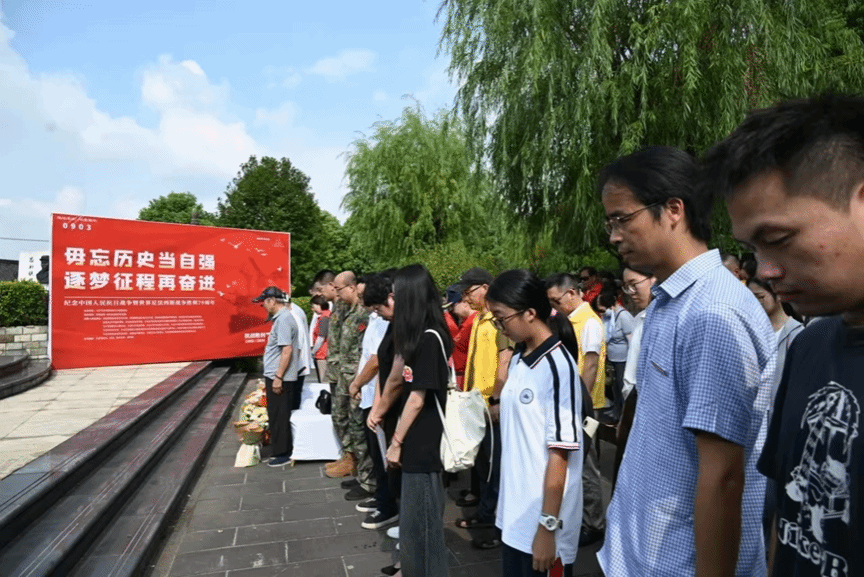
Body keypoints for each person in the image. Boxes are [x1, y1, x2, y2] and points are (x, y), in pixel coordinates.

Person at [596, 146, 776, 577]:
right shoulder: (667, 301)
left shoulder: (712, 313)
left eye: (622, 219)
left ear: (673, 210)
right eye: (609, 223)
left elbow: (723, 477)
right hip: (642, 553)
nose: (614, 237)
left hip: (677, 563)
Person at [704, 93, 864, 576]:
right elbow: (786, 519)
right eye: (753, 249)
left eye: (777, 240)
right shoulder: (808, 346)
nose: (765, 271)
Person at [486, 269, 584, 577]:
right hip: (516, 515)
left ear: (529, 313)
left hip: (544, 522)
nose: (500, 327)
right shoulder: (519, 358)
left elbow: (560, 452)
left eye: (501, 318)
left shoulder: (558, 367)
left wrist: (547, 527)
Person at [385, 264, 451, 577]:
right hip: (417, 444)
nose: (392, 301)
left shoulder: (429, 339)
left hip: (423, 445)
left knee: (424, 529)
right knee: (414, 525)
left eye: (395, 295)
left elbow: (416, 398)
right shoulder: (422, 336)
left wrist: (396, 442)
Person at [545, 273, 607, 547]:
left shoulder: (589, 323)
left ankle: (594, 523)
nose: (554, 306)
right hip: (575, 403)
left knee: (586, 466)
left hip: (585, 407)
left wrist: (580, 402)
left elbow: (590, 365)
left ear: (571, 293)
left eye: (556, 300)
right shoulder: (571, 321)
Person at [454, 267, 513, 550]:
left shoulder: (499, 320)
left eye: (469, 292)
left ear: (485, 288)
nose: (466, 298)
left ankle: (494, 518)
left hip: (492, 404)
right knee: (482, 463)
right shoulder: (479, 319)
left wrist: (497, 398)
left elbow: (505, 360)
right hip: (476, 402)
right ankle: (485, 510)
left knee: (495, 465)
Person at [326, 271, 370, 482]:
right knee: (340, 416)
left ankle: (362, 469)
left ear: (352, 288)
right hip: (343, 373)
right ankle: (349, 457)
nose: (336, 293)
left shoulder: (363, 312)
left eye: (339, 289)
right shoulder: (344, 308)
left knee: (356, 423)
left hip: (356, 377)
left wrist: (360, 381)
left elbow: (365, 351)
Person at [253, 286, 302, 467]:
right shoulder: (282, 318)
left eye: (264, 303)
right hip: (278, 375)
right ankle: (280, 449)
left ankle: (283, 453)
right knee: (276, 414)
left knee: (279, 416)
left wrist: (278, 377)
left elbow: (287, 350)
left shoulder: (283, 320)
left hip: (281, 377)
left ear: (272, 301)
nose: (264, 307)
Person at [596, 291, 635, 423]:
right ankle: (616, 409)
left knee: (622, 387)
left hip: (623, 359)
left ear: (610, 306)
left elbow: (631, 340)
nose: (602, 313)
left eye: (603, 310)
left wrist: (631, 361)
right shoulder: (610, 317)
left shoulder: (623, 316)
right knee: (615, 387)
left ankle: (624, 415)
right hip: (613, 358)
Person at [287, 296, 311, 410]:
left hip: (295, 364)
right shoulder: (294, 311)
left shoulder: (293, 316)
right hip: (295, 363)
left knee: (293, 398)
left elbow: (298, 344)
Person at [310, 295, 330, 383]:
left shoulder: (324, 318)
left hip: (322, 353)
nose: (312, 309)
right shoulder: (326, 316)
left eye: (313, 306)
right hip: (324, 352)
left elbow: (321, 338)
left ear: (319, 305)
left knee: (324, 381)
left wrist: (313, 351)